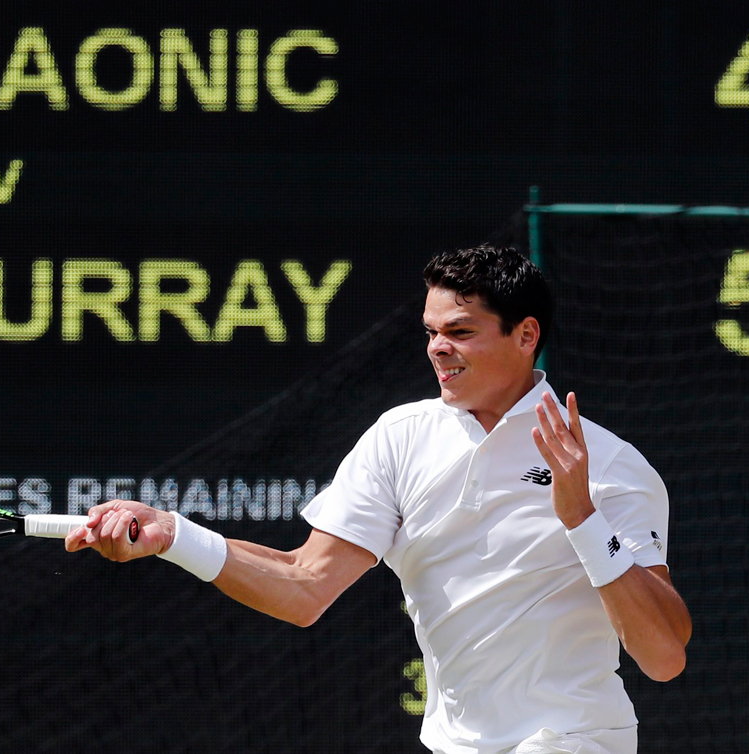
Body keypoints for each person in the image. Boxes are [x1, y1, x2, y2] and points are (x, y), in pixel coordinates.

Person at [65, 245, 691, 754]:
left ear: (526, 335)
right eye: (431, 332)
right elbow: (304, 586)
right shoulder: (401, 437)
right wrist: (175, 535)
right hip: (453, 744)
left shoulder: (613, 469)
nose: (437, 348)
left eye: (461, 332)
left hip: (574, 742)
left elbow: (663, 657)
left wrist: (581, 516)